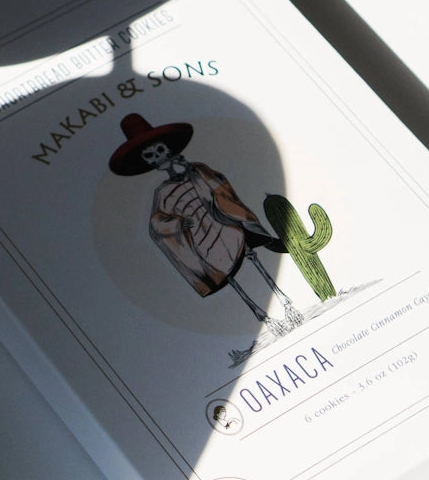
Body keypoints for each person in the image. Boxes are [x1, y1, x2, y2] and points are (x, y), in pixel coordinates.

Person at [108, 113, 303, 335]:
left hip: (222, 224)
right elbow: (156, 224)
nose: (158, 158)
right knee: (227, 276)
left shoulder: (197, 170)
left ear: (169, 149)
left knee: (250, 256)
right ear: (147, 162)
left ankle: (285, 301)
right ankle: (263, 317)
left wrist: (192, 171)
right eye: (151, 156)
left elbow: (219, 187)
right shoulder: (162, 192)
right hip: (200, 240)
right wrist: (177, 224)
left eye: (159, 150)